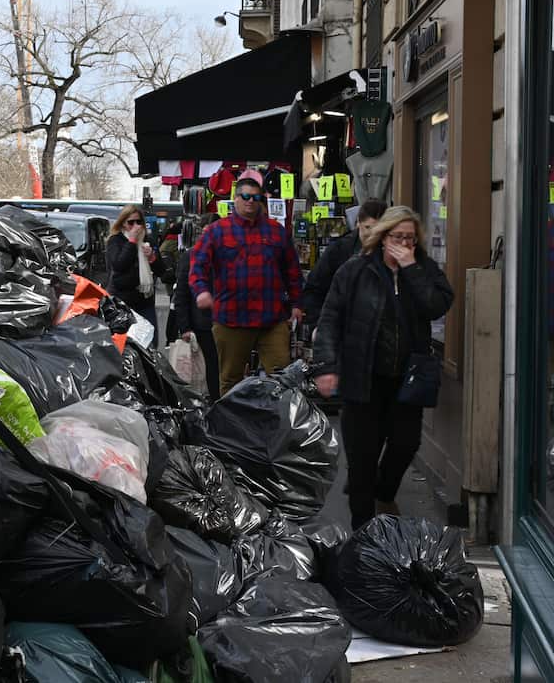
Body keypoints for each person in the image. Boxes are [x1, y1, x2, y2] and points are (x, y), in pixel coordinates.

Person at [313, 206, 454, 528]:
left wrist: (411, 268)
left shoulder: (423, 268)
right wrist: (325, 366)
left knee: (406, 444)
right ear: (382, 236)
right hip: (362, 376)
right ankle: (363, 534)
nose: (403, 243)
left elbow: (437, 305)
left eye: (409, 238)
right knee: (362, 460)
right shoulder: (355, 270)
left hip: (407, 379)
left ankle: (384, 492)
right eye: (397, 236)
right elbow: (330, 318)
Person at [189, 169, 303, 393]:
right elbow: (197, 265)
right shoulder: (216, 231)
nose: (251, 201)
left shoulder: (276, 231)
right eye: (246, 196)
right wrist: (201, 291)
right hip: (232, 318)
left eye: (256, 197)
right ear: (236, 199)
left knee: (284, 380)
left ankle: (279, 425)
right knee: (230, 380)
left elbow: (292, 270)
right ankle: (230, 426)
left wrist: (298, 304)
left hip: (272, 318)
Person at [301, 198, 388, 329]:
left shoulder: (391, 252)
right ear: (358, 223)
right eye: (368, 228)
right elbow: (314, 289)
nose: (372, 235)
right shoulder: (339, 250)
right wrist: (320, 326)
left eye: (378, 230)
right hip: (342, 327)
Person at [171, 214, 221, 400]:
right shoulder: (191, 256)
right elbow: (182, 294)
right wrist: (185, 326)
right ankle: (214, 403)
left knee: (224, 368)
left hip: (227, 322)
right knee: (210, 367)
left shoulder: (231, 254)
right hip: (203, 324)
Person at [107, 204, 161, 345]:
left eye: (139, 222)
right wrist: (131, 242)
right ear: (123, 224)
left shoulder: (148, 241)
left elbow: (163, 272)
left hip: (145, 301)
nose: (135, 226)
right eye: (131, 222)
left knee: (150, 342)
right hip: (123, 302)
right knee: (126, 343)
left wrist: (152, 259)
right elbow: (118, 265)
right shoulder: (116, 240)